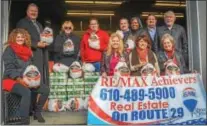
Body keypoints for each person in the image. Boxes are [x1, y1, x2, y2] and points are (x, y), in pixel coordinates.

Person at [16, 3, 49, 123]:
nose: (34, 13)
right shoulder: (22, 23)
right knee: (29, 85)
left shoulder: (39, 25)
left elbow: (42, 38)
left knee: (36, 84)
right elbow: (20, 39)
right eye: (31, 11)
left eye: (36, 11)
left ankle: (36, 111)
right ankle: (29, 111)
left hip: (40, 58)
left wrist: (45, 42)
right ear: (27, 11)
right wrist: (36, 44)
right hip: (28, 59)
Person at [2, 29, 33, 123]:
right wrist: (19, 79)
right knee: (26, 92)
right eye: (18, 37)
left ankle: (36, 112)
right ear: (14, 38)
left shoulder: (28, 51)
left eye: (22, 37)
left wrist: (33, 80)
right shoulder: (9, 49)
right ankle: (24, 121)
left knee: (43, 89)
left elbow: (30, 68)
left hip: (24, 79)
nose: (20, 39)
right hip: (10, 80)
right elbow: (9, 68)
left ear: (25, 38)